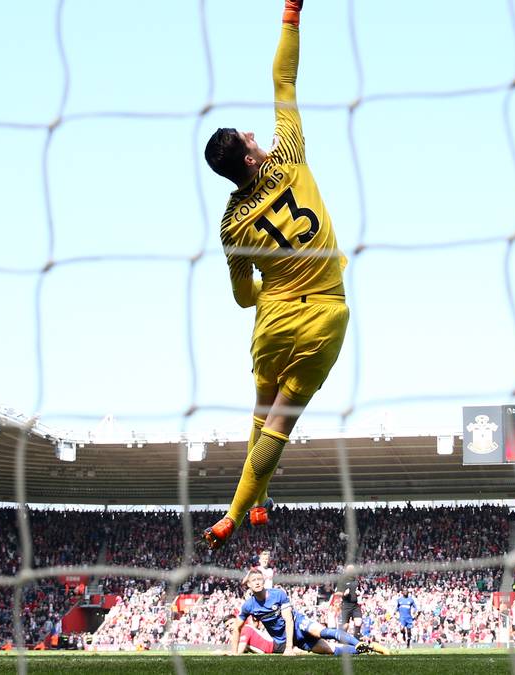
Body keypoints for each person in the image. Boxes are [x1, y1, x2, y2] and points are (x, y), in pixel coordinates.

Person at [201, 0, 350, 551]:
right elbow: (283, 77)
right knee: (279, 426)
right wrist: (291, 13)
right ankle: (235, 514)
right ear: (250, 155)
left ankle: (255, 503)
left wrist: (272, 291)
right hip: (324, 316)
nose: (256, 135)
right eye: (249, 137)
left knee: (263, 411)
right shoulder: (288, 155)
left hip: (274, 319)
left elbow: (243, 297)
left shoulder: (231, 223)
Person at [227, 568, 388, 656]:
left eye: (259, 579)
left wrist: (289, 648)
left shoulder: (278, 594)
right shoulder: (249, 606)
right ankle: (369, 648)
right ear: (248, 585)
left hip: (298, 624)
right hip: (292, 639)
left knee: (323, 632)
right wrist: (234, 653)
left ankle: (357, 642)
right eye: (253, 581)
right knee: (330, 651)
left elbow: (289, 621)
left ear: (264, 581)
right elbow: (237, 628)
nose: (257, 583)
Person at [335, 565, 363, 638]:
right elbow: (337, 593)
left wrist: (358, 593)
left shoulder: (356, 581)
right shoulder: (342, 581)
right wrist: (344, 594)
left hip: (355, 605)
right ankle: (341, 640)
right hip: (346, 606)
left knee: (358, 622)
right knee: (345, 626)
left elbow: (359, 590)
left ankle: (356, 641)